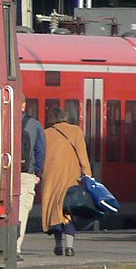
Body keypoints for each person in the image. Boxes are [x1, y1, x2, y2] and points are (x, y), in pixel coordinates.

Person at [41, 107, 92, 257]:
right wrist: (87, 175)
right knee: (68, 211)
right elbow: (83, 156)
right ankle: (69, 247)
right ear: (65, 117)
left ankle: (58, 245)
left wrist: (41, 174)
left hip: (51, 180)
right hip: (71, 179)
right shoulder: (76, 131)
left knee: (54, 212)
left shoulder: (45, 134)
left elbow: (41, 158)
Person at [17, 96, 46, 260]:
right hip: (26, 174)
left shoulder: (1, 120)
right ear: (24, 105)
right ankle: (16, 249)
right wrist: (36, 172)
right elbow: (40, 151)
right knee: (21, 212)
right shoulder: (34, 124)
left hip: (4, 174)